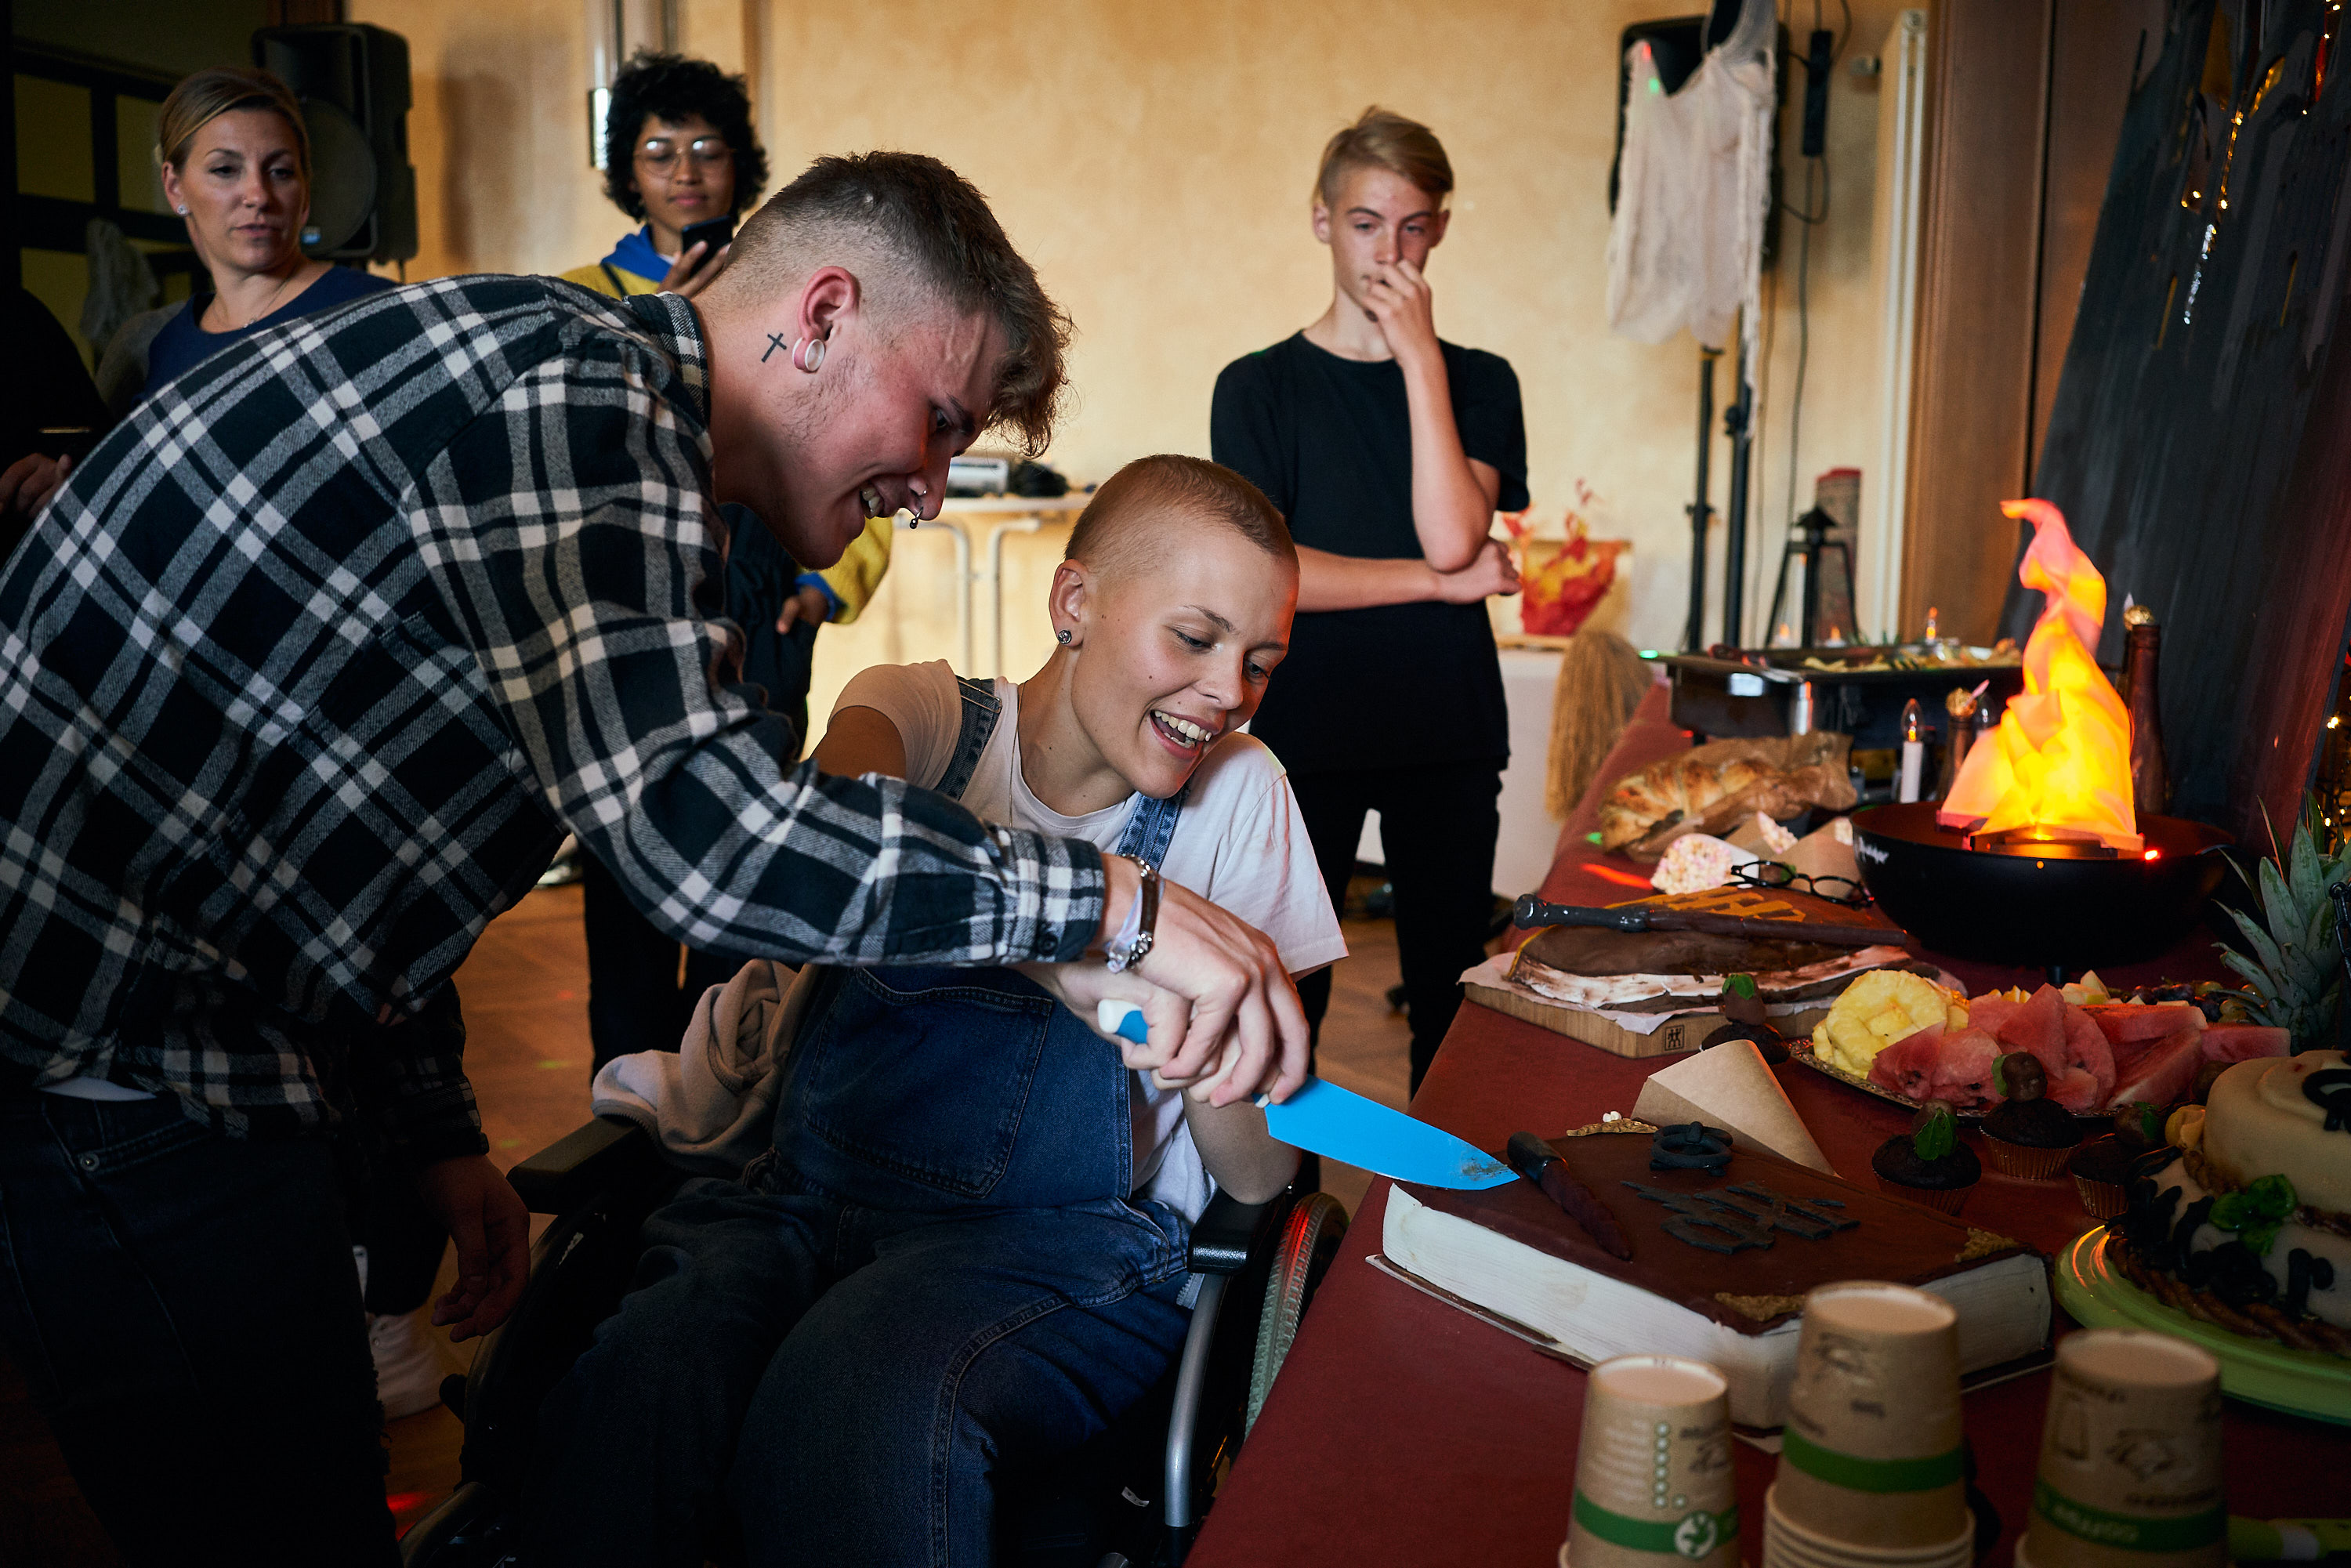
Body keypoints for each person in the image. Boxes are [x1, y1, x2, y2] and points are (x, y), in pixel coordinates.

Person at [0, 151, 1306, 1567]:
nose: (932, 489)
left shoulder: (589, 420)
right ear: (818, 314)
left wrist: (435, 1127)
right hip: (111, 1061)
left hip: (211, 1043)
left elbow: (359, 812)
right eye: (935, 422)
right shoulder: (578, 398)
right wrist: (1112, 904)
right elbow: (705, 834)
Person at [524, 454, 1342, 1566]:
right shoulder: (914, 713)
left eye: (1261, 662)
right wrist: (1079, 945)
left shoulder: (1242, 795)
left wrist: (1217, 1059)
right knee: (650, 1382)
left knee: (864, 1390)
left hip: (1065, 1247)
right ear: (1076, 603)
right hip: (800, 1205)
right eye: (1194, 640)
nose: (1228, 692)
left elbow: (1254, 1183)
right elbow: (846, 855)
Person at [560, 53, 897, 1068]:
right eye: (659, 151)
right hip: (630, 619)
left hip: (761, 617)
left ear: (736, 164)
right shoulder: (584, 295)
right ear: (630, 171)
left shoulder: (794, 295)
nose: (684, 170)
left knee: (746, 872)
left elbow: (853, 440)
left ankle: (728, 1105)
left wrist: (823, 581)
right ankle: (625, 1125)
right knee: (625, 888)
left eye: (705, 148)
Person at [1211, 107, 1526, 1095]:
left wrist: (1420, 356)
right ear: (1320, 220)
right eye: (1365, 223)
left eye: (1415, 226)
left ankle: (1447, 1221)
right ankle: (1280, 1224)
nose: (1391, 251)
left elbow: (1451, 531)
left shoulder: (1478, 379)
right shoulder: (1257, 387)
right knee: (1290, 993)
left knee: (1451, 993)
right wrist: (1442, 586)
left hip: (1448, 722)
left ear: (1440, 228)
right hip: (1310, 722)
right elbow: (1279, 571)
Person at [94, 66, 397, 415]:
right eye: (225, 170)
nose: (258, 195)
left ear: (306, 188)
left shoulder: (377, 310)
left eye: (281, 172)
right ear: (175, 187)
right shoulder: (157, 347)